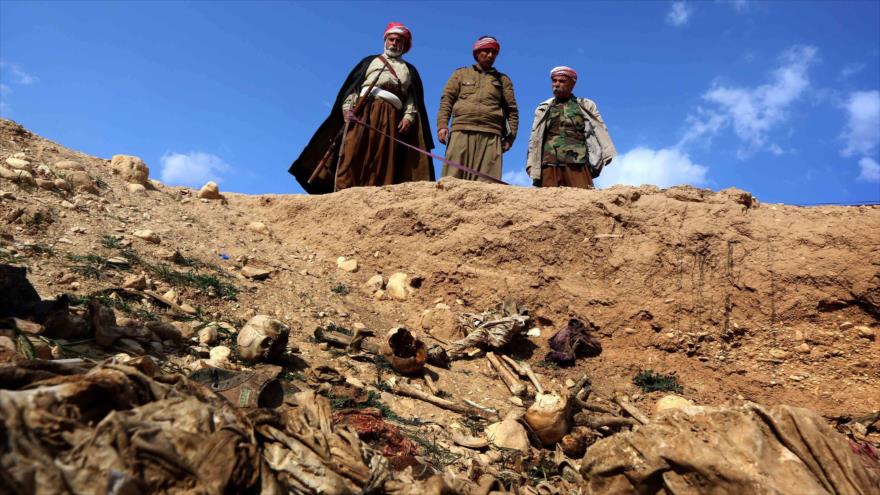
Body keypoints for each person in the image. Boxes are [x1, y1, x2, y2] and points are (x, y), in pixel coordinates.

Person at [289, 22, 435, 193]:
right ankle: (343, 191)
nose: (394, 43)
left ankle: (376, 192)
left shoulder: (409, 70)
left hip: (391, 116)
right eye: (391, 39)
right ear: (385, 40)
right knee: (352, 149)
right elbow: (354, 88)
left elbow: (412, 99)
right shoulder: (370, 61)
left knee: (382, 156)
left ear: (404, 46)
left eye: (398, 41)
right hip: (363, 110)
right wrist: (347, 109)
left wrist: (408, 117)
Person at [436, 36, 518, 182]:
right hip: (461, 131)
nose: (490, 55)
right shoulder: (460, 74)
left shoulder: (503, 80)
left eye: (494, 52)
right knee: (452, 180)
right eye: (486, 51)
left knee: (488, 184)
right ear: (477, 52)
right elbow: (446, 100)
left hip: (491, 134)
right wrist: (442, 125)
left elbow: (512, 110)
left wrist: (510, 138)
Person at [525, 66, 616, 189]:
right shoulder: (543, 108)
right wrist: (531, 163)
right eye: (554, 81)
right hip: (549, 163)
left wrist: (607, 152)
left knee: (583, 199)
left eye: (562, 81)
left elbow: (599, 127)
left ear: (572, 84)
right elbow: (534, 137)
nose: (556, 84)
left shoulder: (585, 105)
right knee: (548, 201)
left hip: (577, 162)